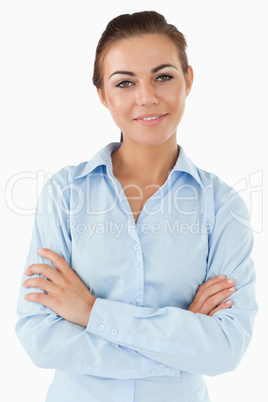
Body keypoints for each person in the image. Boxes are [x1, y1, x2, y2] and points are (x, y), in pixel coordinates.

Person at [15, 10, 257, 402]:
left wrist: (90, 312)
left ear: (188, 80)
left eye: (163, 76)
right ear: (103, 95)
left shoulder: (222, 205)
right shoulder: (65, 193)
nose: (147, 97)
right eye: (125, 82)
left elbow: (226, 348)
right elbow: (39, 336)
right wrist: (180, 346)